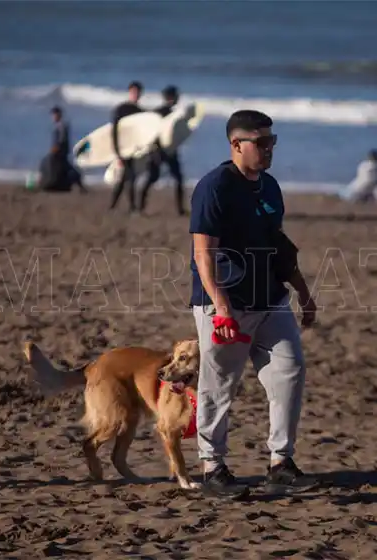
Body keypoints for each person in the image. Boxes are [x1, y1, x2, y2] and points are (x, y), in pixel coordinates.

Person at [189, 109, 319, 499]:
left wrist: (303, 290)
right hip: (228, 304)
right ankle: (213, 469)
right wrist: (221, 307)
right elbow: (202, 254)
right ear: (236, 145)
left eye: (272, 141)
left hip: (271, 299)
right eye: (260, 143)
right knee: (219, 386)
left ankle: (281, 462)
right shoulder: (214, 188)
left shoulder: (270, 187)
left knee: (290, 371)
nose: (268, 149)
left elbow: (280, 246)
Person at [139, 85, 186, 215]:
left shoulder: (160, 112)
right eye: (177, 95)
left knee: (154, 178)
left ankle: (140, 207)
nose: (179, 98)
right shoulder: (170, 114)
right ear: (173, 97)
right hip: (160, 151)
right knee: (169, 178)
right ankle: (180, 209)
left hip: (162, 150)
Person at [109, 81, 144, 212]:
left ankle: (115, 206)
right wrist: (117, 152)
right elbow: (114, 131)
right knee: (128, 177)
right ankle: (130, 207)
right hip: (123, 148)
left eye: (138, 92)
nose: (136, 95)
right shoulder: (121, 109)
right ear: (129, 92)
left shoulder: (141, 111)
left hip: (134, 148)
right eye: (133, 92)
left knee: (126, 178)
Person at [41, 106, 87, 193]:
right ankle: (78, 186)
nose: (53, 117)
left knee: (68, 169)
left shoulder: (62, 125)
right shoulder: (59, 125)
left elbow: (62, 140)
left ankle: (79, 186)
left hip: (61, 153)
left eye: (54, 115)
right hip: (60, 153)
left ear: (58, 115)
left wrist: (56, 149)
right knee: (67, 169)